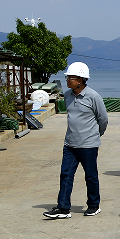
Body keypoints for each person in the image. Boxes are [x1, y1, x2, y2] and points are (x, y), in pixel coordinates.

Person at [44, 62, 108, 219]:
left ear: (80, 80)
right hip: (70, 144)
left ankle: (93, 205)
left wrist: (96, 134)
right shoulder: (67, 95)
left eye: (70, 78)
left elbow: (103, 119)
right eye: (67, 77)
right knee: (65, 175)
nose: (67, 80)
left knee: (90, 176)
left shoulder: (93, 96)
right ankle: (63, 208)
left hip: (88, 145)